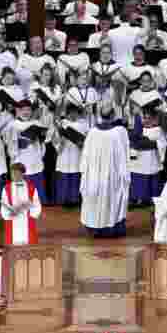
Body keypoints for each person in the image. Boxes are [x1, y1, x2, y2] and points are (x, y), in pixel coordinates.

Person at [79, 99, 130, 237]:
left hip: (94, 175)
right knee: (112, 199)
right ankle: (112, 228)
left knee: (96, 199)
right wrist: (124, 174)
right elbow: (124, 154)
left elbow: (85, 156)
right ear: (114, 115)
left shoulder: (92, 132)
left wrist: (85, 173)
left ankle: (96, 229)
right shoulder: (120, 132)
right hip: (112, 175)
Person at [7, 99, 50, 201]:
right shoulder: (13, 124)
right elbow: (10, 143)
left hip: (34, 157)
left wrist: (41, 138)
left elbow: (42, 141)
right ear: (18, 111)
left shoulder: (37, 123)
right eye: (23, 110)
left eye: (28, 110)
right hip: (21, 157)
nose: (26, 112)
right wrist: (19, 143)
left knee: (36, 189)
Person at [52, 97, 90, 205]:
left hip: (76, 155)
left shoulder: (83, 124)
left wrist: (82, 144)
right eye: (70, 113)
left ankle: (74, 199)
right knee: (63, 177)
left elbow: (88, 140)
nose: (73, 116)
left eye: (75, 113)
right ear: (66, 114)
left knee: (75, 177)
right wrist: (60, 141)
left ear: (78, 113)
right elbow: (54, 139)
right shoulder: (61, 124)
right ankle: (62, 199)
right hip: (63, 154)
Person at [0, 163, 42, 245]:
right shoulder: (6, 188)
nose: (13, 176)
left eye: (16, 173)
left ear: (22, 174)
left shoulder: (31, 188)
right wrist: (10, 213)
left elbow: (36, 205)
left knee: (29, 251)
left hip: (27, 223)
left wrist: (28, 214)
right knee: (12, 251)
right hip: (13, 223)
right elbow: (4, 206)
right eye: (12, 173)